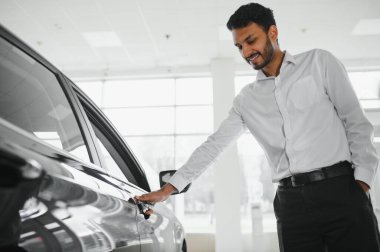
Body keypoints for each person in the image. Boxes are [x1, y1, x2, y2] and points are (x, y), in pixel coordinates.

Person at [136, 3, 380, 251]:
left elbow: (356, 123)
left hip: (341, 191)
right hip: (291, 205)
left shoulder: (319, 62)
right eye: (239, 46)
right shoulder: (247, 100)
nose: (246, 52)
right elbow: (214, 145)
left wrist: (362, 184)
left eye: (251, 41)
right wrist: (168, 189)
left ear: (272, 32)